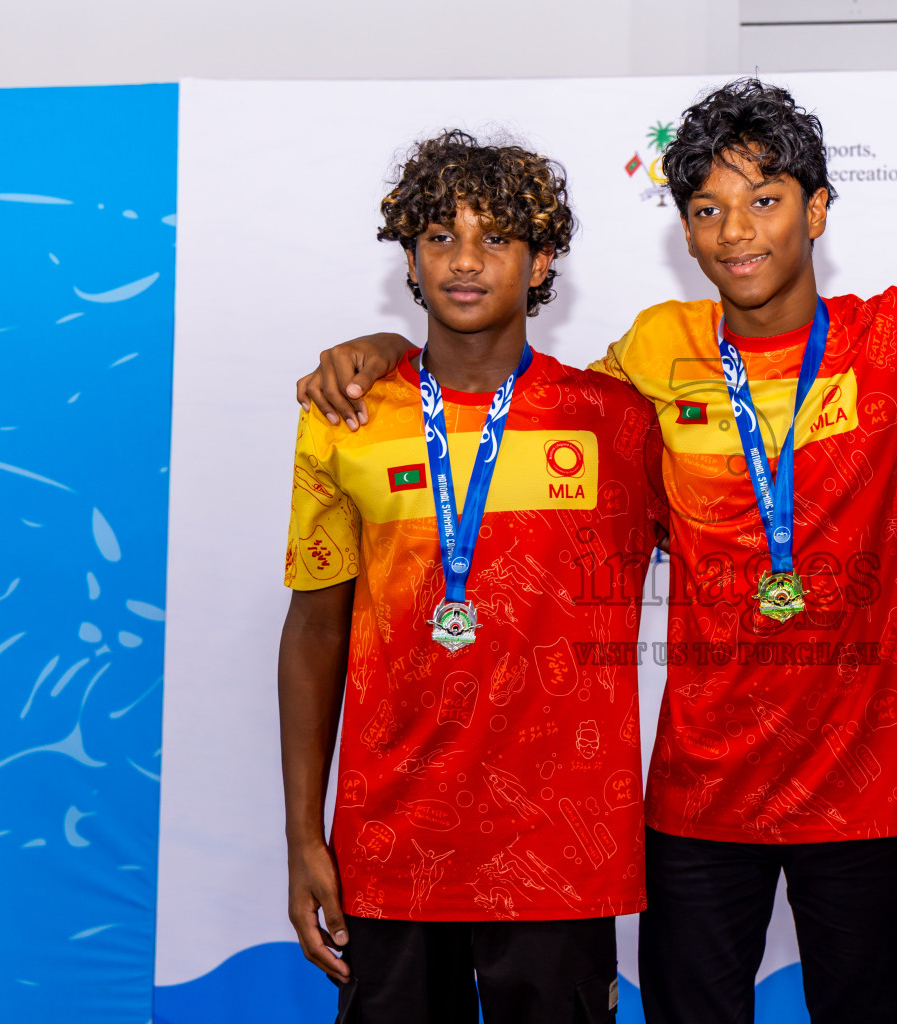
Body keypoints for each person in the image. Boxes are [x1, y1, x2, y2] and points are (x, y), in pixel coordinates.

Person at [294, 80, 897, 1024]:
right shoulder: (647, 358)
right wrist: (385, 351)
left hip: (873, 804)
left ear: (817, 210)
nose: (739, 231)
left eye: (765, 200)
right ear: (683, 231)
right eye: (712, 209)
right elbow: (493, 393)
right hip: (698, 803)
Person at [278, 130, 666, 1024]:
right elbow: (314, 631)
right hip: (390, 846)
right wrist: (305, 835)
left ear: (540, 263)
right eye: (440, 236)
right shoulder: (347, 418)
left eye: (495, 237)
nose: (464, 260)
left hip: (562, 852)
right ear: (409, 257)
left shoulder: (615, 419)